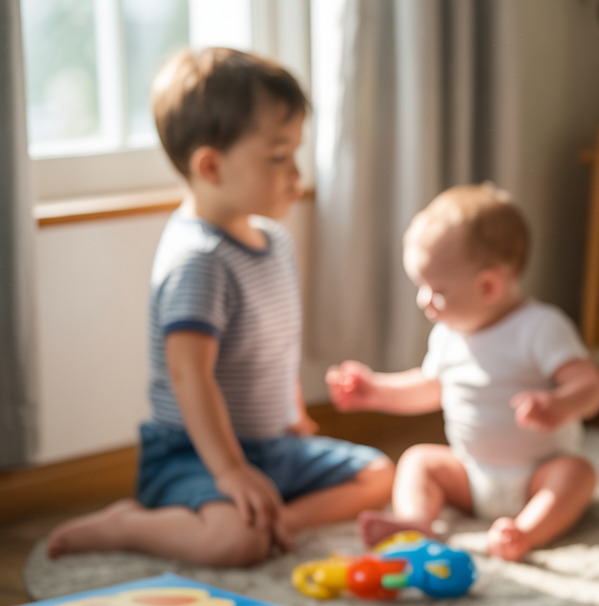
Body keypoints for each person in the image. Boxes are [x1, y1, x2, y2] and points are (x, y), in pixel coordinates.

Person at [45, 48, 395, 567]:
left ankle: (280, 518)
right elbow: (191, 378)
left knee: (379, 473)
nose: (295, 173)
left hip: (270, 446)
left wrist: (293, 414)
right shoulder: (198, 261)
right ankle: (131, 523)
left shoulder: (275, 242)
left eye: (295, 153)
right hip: (192, 453)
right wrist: (229, 470)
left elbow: (273, 345)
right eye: (278, 157)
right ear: (210, 165)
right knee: (234, 543)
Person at [326, 184, 599, 562]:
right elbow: (429, 387)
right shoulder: (448, 335)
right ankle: (415, 521)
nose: (423, 301)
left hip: (537, 475)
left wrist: (559, 404)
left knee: (577, 474)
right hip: (471, 474)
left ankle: (524, 531)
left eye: (436, 289)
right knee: (417, 460)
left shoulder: (541, 326)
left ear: (488, 286)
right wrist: (374, 390)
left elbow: (591, 387)